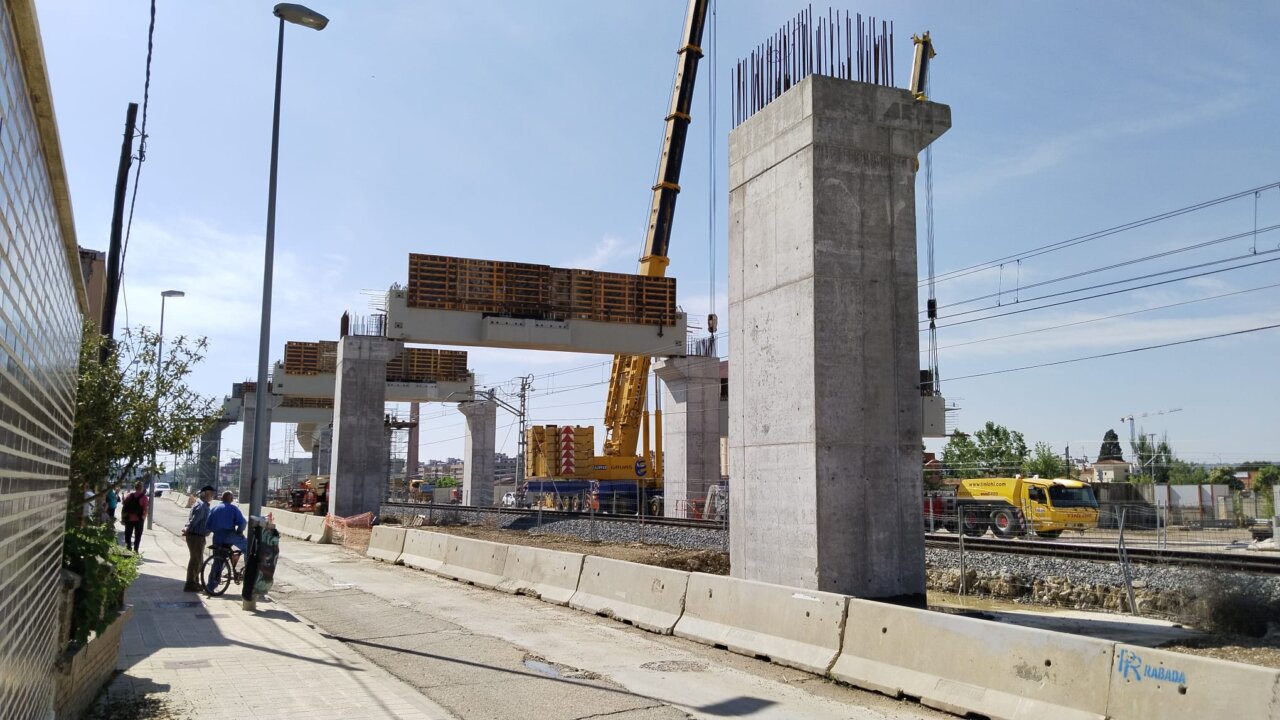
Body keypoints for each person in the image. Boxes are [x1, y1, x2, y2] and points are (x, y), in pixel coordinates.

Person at [204, 491, 247, 593]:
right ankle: (249, 575)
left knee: (218, 560)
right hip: (229, 535)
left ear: (222, 498)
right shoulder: (233, 508)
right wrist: (239, 532)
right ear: (231, 499)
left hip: (217, 537)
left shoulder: (214, 508)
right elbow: (243, 522)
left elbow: (208, 526)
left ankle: (211, 586)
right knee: (249, 548)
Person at [182, 485, 215, 592]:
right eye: (210, 493)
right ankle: (190, 583)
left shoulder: (203, 505)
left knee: (198, 560)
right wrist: (187, 529)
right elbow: (194, 521)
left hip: (198, 536)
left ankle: (195, 582)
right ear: (205, 494)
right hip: (196, 536)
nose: (212, 496)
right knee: (195, 560)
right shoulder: (201, 506)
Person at [121, 481, 149, 552]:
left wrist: (123, 518)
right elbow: (145, 510)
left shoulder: (129, 495)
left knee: (128, 534)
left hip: (129, 518)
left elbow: (124, 505)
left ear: (135, 487)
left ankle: (128, 549)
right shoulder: (144, 497)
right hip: (139, 519)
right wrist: (143, 518)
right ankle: (136, 550)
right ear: (142, 488)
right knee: (138, 536)